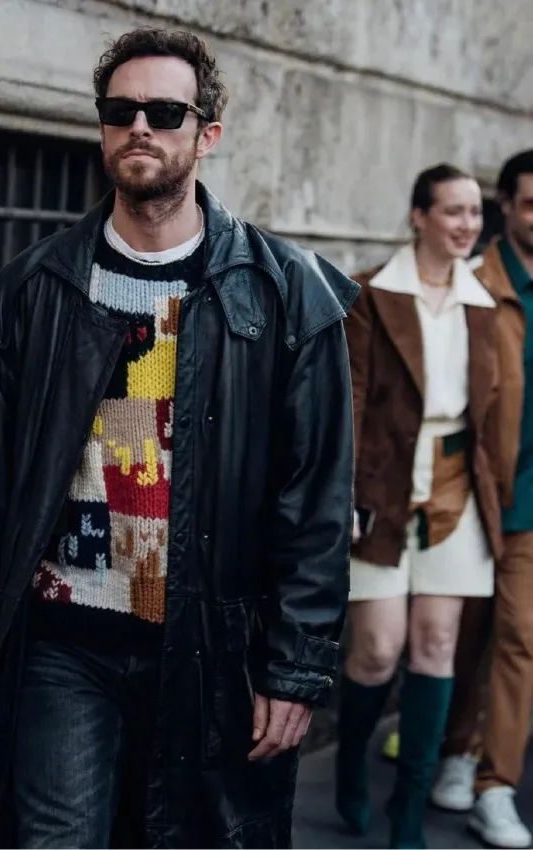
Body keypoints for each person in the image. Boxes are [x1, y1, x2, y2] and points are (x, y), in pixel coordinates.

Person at [0, 27, 359, 849]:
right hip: (64, 645)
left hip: (210, 650)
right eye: (119, 111)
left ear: (207, 134)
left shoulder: (285, 295)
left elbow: (314, 501)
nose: (139, 127)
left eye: (164, 112)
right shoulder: (32, 291)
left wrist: (296, 668)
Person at [336, 164, 503, 848]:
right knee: (377, 650)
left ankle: (409, 809)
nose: (467, 225)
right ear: (419, 216)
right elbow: (349, 401)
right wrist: (347, 494)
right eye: (453, 211)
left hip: (456, 481)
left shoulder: (483, 302)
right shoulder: (372, 294)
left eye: (475, 212)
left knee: (437, 643)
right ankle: (349, 761)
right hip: (382, 483)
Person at [430, 150, 533, 849]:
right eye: (530, 203)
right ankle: (457, 750)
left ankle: (496, 786)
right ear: (507, 206)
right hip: (477, 491)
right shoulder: (473, 287)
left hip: (529, 503)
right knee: (466, 633)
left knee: (520, 636)